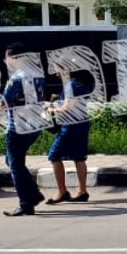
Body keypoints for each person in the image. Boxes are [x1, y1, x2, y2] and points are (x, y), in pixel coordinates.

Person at [0, 43, 47, 217]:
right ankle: (34, 194)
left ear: (15, 58)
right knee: (13, 161)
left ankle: (26, 203)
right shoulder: (37, 76)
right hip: (34, 126)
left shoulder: (16, 79)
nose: (5, 62)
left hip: (17, 128)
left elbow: (3, 107)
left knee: (15, 165)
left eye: (7, 58)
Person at [45, 59, 91, 204]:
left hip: (70, 125)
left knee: (54, 156)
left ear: (66, 70)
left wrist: (50, 109)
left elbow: (67, 107)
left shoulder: (70, 85)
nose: (57, 74)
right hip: (82, 123)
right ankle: (82, 191)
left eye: (58, 70)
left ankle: (62, 191)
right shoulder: (78, 84)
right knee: (79, 157)